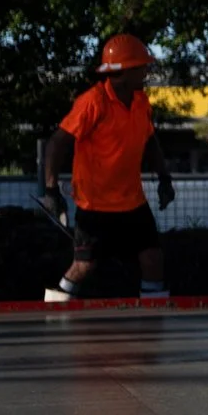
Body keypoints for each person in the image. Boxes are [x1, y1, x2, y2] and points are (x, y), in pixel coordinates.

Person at [41, 33, 174, 302]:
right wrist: (51, 190)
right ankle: (53, 312)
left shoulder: (140, 102)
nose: (147, 71)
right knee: (84, 266)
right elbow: (57, 143)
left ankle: (155, 318)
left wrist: (164, 178)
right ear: (124, 72)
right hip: (95, 204)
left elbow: (150, 141)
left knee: (152, 258)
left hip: (133, 202)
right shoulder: (93, 102)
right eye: (142, 66)